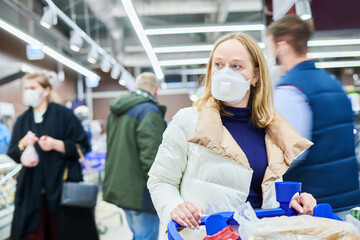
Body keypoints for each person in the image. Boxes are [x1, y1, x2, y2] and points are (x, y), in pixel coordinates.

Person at [147, 32, 317, 240]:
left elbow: (265, 193)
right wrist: (175, 207)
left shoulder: (271, 128)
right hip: (202, 234)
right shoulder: (189, 121)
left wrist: (293, 203)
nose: (225, 73)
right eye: (218, 64)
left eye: (236, 66)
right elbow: (160, 181)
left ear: (255, 75)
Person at [267, 14, 360, 218]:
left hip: (315, 203)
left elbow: (291, 154)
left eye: (271, 46)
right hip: (347, 196)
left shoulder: (289, 89)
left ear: (282, 46)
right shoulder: (333, 83)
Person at [7, 73, 99, 240]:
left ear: (46, 90)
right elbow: (13, 152)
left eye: (33, 88)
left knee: (66, 231)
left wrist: (57, 145)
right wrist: (22, 144)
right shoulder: (22, 120)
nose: (29, 92)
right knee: (34, 232)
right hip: (32, 190)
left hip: (62, 187)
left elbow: (82, 146)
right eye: (26, 88)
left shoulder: (65, 115)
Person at [103, 72, 166, 240]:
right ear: (156, 91)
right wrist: (160, 188)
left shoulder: (116, 111)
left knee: (137, 234)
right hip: (140, 192)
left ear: (135, 87)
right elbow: (151, 157)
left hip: (121, 187)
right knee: (145, 236)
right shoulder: (149, 111)